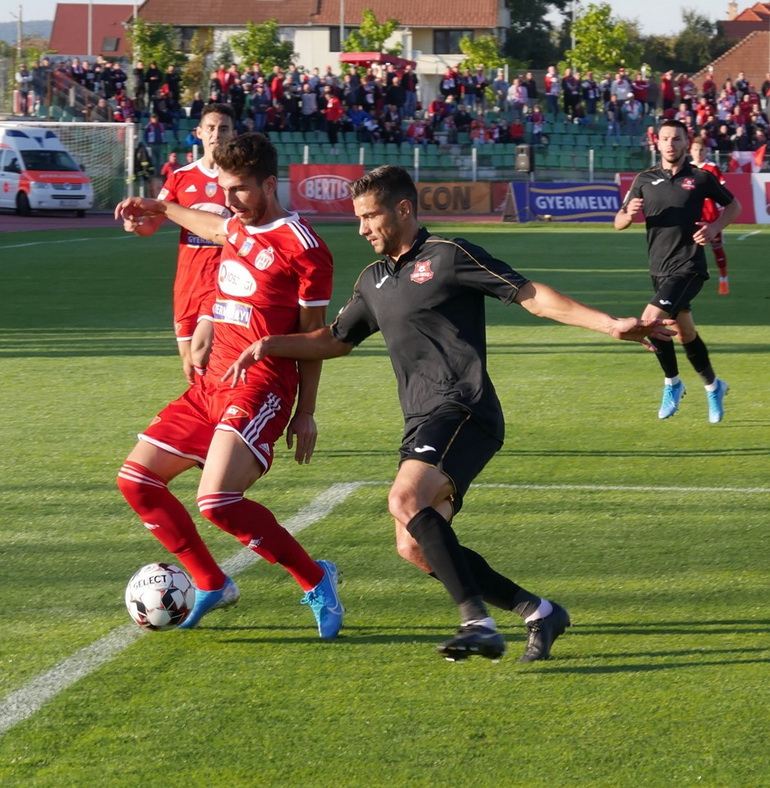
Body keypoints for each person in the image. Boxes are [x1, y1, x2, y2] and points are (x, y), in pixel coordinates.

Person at [222, 165, 675, 663]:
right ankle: (539, 612)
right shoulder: (373, 280)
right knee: (413, 545)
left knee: (404, 497)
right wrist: (269, 344)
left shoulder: (448, 256)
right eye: (358, 218)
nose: (362, 228)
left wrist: (610, 325)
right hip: (422, 419)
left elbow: (530, 295)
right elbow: (334, 339)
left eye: (370, 216)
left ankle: (476, 621)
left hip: (465, 406)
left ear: (403, 209)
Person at [113, 132, 343, 636]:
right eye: (224, 189)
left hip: (262, 386)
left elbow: (314, 337)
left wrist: (306, 410)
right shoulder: (235, 227)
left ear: (269, 182)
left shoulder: (304, 249)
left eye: (239, 189)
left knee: (215, 501)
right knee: (136, 482)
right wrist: (159, 205)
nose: (230, 199)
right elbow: (212, 226)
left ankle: (316, 578)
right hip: (210, 385)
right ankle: (210, 581)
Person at [614, 120, 741, 423]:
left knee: (650, 321)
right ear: (657, 142)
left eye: (677, 139)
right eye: (666, 138)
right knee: (685, 334)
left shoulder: (701, 177)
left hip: (689, 267)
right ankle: (714, 385)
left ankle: (672, 383)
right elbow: (618, 221)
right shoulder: (644, 179)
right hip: (658, 269)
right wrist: (628, 216)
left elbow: (733, 205)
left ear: (687, 143)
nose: (671, 144)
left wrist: (714, 228)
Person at [125, 104, 235, 384]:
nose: (216, 134)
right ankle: (209, 416)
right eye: (211, 128)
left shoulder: (239, 180)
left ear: (233, 134)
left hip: (223, 282)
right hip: (187, 284)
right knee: (190, 367)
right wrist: (135, 224)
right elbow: (150, 225)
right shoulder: (180, 178)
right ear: (199, 133)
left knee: (201, 352)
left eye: (223, 128)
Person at [689, 138, 731, 295]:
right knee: (690, 249)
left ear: (706, 151)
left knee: (716, 248)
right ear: (690, 151)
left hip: (711, 215)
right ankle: (691, 279)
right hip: (692, 214)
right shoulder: (688, 168)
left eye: (701, 150)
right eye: (695, 150)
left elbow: (722, 191)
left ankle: (723, 278)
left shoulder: (712, 168)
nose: (698, 153)